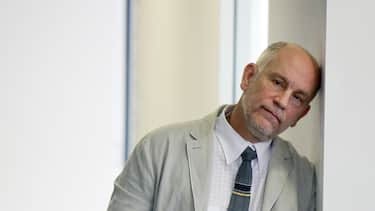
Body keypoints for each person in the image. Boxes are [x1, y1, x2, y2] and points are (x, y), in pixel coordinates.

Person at [107, 41, 321, 211]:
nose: (282, 101)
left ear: (301, 115)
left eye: (297, 97)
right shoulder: (158, 148)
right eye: (277, 82)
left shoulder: (304, 178)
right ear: (248, 77)